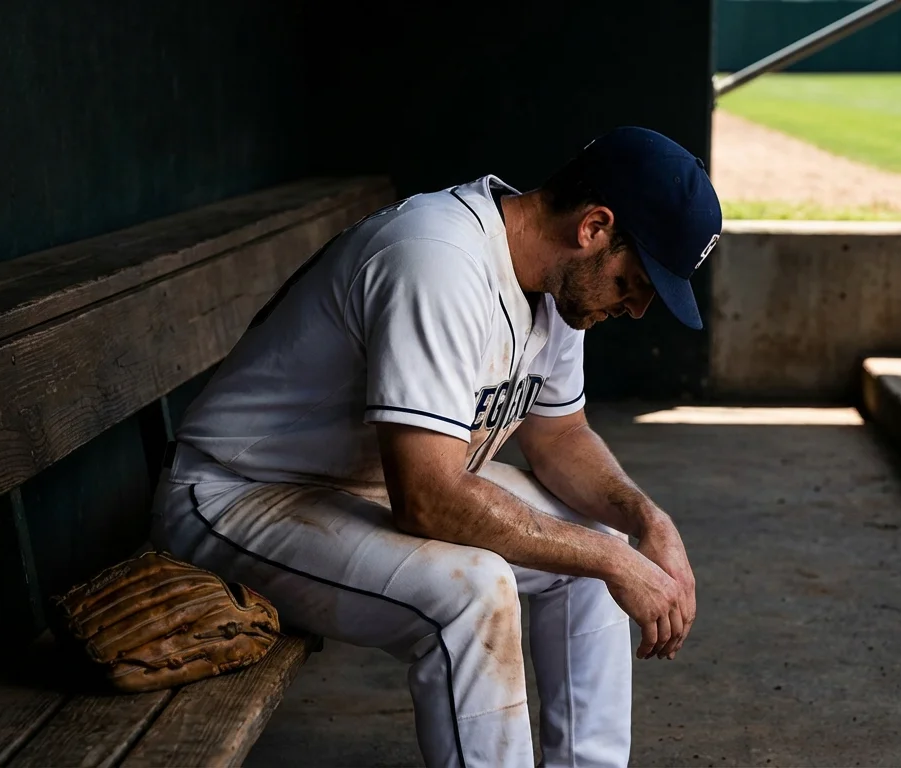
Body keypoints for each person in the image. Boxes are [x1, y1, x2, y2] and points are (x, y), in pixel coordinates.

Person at [150, 126, 721, 768]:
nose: (637, 309)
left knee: (599, 539)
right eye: (633, 282)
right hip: (237, 496)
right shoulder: (439, 260)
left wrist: (647, 520)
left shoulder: (561, 285)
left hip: (367, 486)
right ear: (593, 227)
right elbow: (428, 498)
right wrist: (612, 561)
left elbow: (560, 435)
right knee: (474, 593)